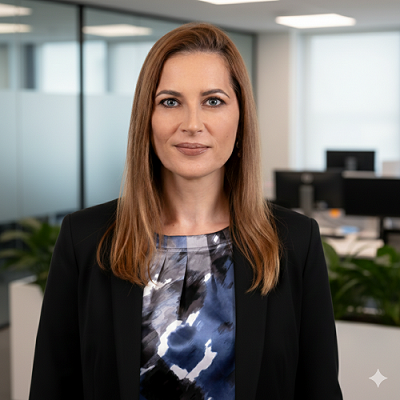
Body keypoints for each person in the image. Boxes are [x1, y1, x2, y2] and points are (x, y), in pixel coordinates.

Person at [29, 23, 342, 400]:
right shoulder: (85, 239)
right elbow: (52, 386)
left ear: (241, 117)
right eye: (170, 102)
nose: (192, 125)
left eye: (213, 101)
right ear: (146, 119)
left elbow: (319, 388)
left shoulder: (295, 241)